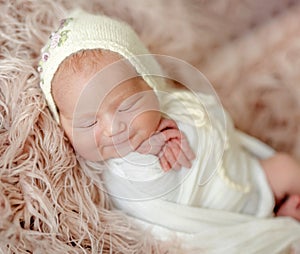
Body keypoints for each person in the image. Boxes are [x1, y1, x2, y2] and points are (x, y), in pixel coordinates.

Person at [38, 10, 300, 252]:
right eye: (88, 123)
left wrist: (187, 126)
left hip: (250, 181)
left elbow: (216, 120)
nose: (113, 128)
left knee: (285, 168)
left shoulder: (178, 106)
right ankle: (274, 221)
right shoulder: (117, 173)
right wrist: (148, 151)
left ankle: (277, 210)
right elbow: (146, 198)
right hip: (210, 228)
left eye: (127, 105)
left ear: (151, 86)